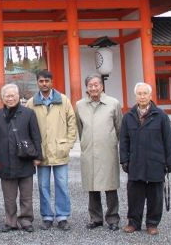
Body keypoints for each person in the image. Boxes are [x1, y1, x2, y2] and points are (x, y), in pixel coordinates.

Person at [120, 82, 171, 236]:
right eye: (139, 93)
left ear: (150, 96)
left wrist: (170, 161)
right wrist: (124, 159)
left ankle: (152, 223)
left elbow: (169, 140)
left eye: (145, 93)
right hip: (136, 162)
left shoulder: (161, 116)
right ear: (135, 96)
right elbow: (123, 140)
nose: (142, 96)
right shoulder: (128, 117)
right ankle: (133, 222)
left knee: (155, 195)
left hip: (155, 161)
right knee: (134, 195)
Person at [26, 69, 77, 230]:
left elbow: (72, 123)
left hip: (60, 148)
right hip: (41, 152)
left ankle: (62, 216)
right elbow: (26, 127)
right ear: (37, 82)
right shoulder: (31, 102)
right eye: (41, 81)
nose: (44, 84)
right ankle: (47, 216)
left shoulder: (63, 100)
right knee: (43, 185)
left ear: (51, 81)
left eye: (47, 81)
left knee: (62, 184)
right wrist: (32, 150)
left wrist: (68, 144)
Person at [0, 83, 42, 233]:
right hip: (5, 160)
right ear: (2, 98)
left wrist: (38, 156)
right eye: (7, 96)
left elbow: (35, 136)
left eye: (13, 95)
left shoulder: (28, 113)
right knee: (9, 196)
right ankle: (10, 221)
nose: (10, 98)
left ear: (19, 96)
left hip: (25, 159)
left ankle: (25, 220)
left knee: (26, 195)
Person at [75, 73, 122, 231]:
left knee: (110, 186)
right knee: (92, 186)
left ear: (102, 86)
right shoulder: (80, 105)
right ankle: (95, 218)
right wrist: (86, 142)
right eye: (90, 85)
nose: (94, 88)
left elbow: (119, 127)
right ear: (86, 88)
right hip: (89, 150)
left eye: (97, 84)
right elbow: (80, 128)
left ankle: (113, 218)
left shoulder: (113, 103)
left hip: (108, 150)